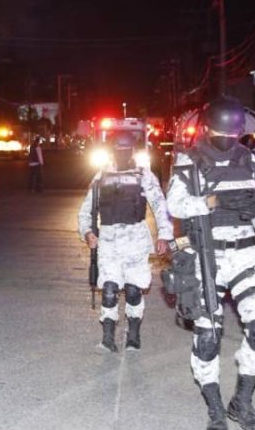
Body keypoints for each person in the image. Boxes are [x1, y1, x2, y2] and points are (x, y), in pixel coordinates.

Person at [166, 96, 255, 430]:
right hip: (207, 251)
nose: (227, 140)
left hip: (245, 249)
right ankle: (215, 407)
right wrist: (211, 201)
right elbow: (175, 203)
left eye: (232, 135)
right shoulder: (188, 161)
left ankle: (241, 402)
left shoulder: (248, 160)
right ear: (205, 128)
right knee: (208, 335)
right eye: (221, 132)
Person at [77, 131, 173, 352]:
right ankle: (108, 338)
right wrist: (88, 233)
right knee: (109, 289)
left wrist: (164, 235)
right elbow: (85, 211)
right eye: (118, 149)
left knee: (133, 289)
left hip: (136, 239)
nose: (122, 154)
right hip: (108, 241)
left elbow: (159, 205)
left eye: (126, 149)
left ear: (132, 150)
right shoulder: (100, 177)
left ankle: (134, 335)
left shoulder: (143, 175)